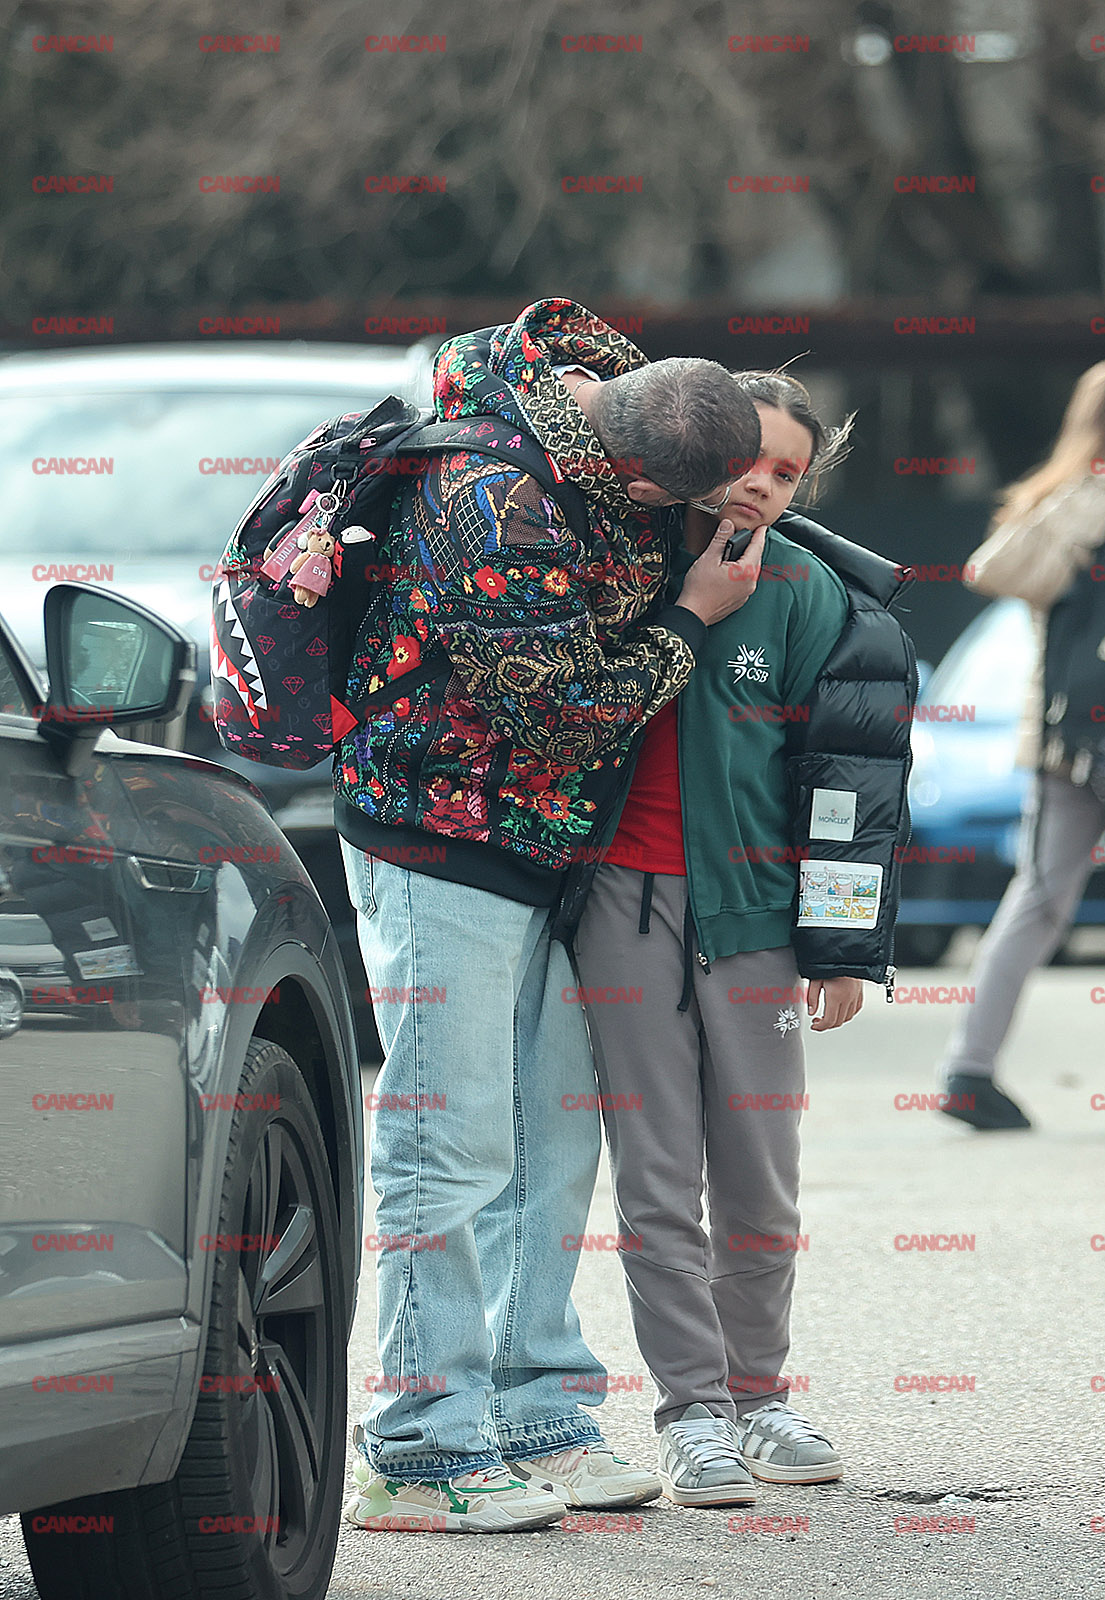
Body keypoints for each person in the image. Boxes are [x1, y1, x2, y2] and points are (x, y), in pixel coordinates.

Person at [338, 298, 771, 1534]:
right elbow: (565, 716)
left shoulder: (604, 390)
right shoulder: (493, 499)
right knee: (449, 1146)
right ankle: (418, 1448)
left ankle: (535, 1412)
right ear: (633, 474)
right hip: (439, 838)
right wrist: (692, 614)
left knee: (546, 1147)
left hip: (543, 844)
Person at [568, 370, 915, 1505]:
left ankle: (760, 1397)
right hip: (623, 908)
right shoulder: (617, 563)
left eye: (787, 472)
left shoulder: (813, 594)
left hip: (759, 917)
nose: (761, 485)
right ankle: (693, 1415)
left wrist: (842, 948)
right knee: (658, 1177)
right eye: (747, 459)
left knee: (761, 1179)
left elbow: (851, 782)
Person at [936, 355, 1105, 1131]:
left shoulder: (1093, 503)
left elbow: (993, 572)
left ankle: (968, 1070)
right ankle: (968, 1072)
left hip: (1085, 740)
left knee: (1047, 900)